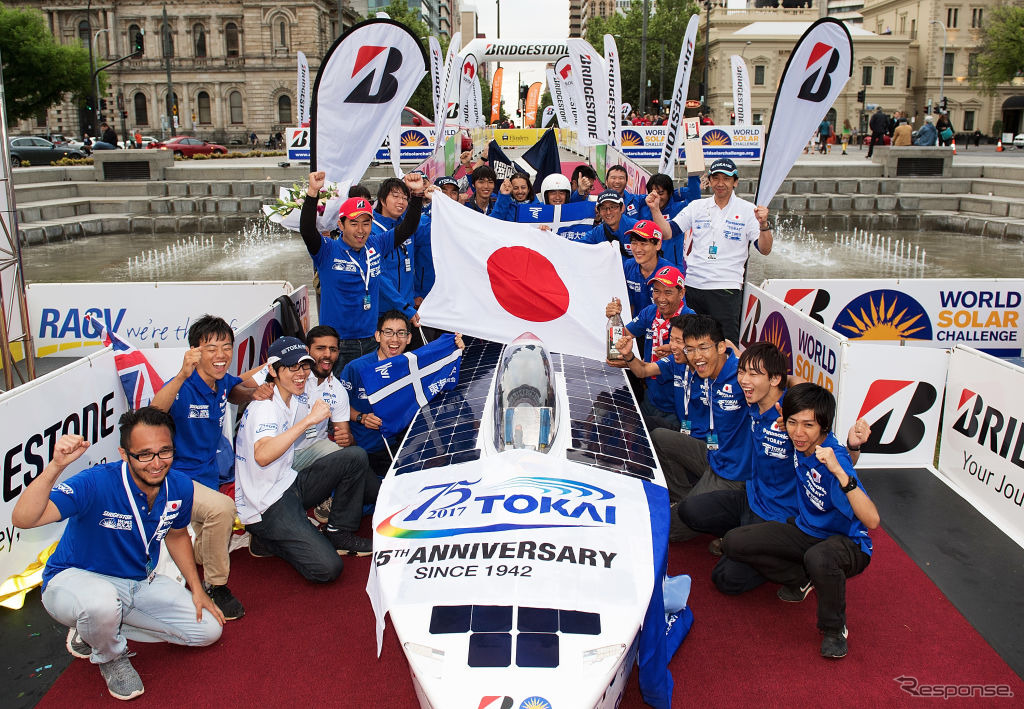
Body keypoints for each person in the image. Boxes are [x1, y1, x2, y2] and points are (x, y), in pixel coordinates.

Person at [12, 408, 224, 700]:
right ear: (125, 454)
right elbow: (24, 518)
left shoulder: (180, 486)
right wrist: (55, 466)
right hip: (75, 579)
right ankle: (110, 655)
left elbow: (176, 536)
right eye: (145, 454)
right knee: (100, 604)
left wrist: (197, 589)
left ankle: (95, 631)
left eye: (165, 451)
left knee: (208, 632)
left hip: (138, 581)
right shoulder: (94, 482)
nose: (156, 463)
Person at [722, 383, 880, 659]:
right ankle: (801, 577)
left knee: (820, 557)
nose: (798, 432)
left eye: (808, 425)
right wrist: (790, 417)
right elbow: (791, 399)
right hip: (806, 529)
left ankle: (834, 629)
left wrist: (841, 474)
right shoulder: (798, 438)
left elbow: (873, 520)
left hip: (848, 543)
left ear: (824, 427)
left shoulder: (834, 458)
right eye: (793, 423)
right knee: (734, 542)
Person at [150, 315, 268, 620]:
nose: (221, 355)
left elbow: (239, 385)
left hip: (208, 475)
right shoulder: (183, 386)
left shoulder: (219, 382)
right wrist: (180, 375)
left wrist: (261, 386)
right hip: (175, 479)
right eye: (211, 348)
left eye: (226, 347)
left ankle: (189, 554)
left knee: (212, 532)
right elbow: (152, 413)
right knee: (222, 510)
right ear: (194, 351)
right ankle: (215, 585)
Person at [235, 337, 373, 582]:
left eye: (304, 366)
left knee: (354, 457)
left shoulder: (293, 396)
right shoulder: (265, 406)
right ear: (274, 371)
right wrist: (308, 421)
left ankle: (339, 531)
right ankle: (266, 539)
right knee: (328, 568)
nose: (300, 373)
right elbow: (263, 455)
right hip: (266, 506)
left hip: (289, 483)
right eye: (291, 367)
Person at [299, 170, 425, 374]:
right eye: (354, 223)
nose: (361, 230)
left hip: (370, 340)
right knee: (339, 400)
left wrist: (417, 195)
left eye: (366, 223)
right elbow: (307, 230)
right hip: (338, 343)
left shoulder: (376, 243)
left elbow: (407, 228)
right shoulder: (327, 250)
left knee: (370, 399)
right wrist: (313, 193)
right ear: (341, 224)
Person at [649, 315, 752, 541]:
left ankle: (733, 517)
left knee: (663, 532)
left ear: (721, 346)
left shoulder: (744, 376)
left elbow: (781, 382)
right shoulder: (703, 371)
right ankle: (685, 497)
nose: (697, 357)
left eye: (703, 348)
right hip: (712, 455)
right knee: (658, 436)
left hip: (735, 475)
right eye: (691, 349)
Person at [342, 311, 465, 476]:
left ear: (408, 338)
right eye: (388, 332)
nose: (394, 339)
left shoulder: (415, 366)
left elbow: (440, 381)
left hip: (407, 447)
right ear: (377, 336)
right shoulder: (357, 368)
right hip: (369, 450)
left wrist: (454, 349)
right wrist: (361, 417)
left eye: (401, 333)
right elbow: (337, 406)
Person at [669, 158, 772, 344]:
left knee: (724, 345)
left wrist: (764, 225)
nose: (720, 183)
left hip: (726, 288)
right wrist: (654, 210)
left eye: (726, 178)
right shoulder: (697, 206)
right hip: (694, 286)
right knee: (690, 343)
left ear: (735, 182)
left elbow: (765, 249)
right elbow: (669, 231)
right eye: (716, 178)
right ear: (709, 181)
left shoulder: (749, 210)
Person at [608, 265, 694, 433]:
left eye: (668, 292)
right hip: (650, 397)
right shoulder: (650, 312)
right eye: (656, 291)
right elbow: (620, 339)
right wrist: (614, 318)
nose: (661, 298)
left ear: (681, 293)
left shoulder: (692, 321)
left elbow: (701, 359)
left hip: (676, 407)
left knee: (659, 446)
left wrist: (682, 350)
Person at [637, 172, 702, 270]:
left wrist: (693, 175)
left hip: (673, 268)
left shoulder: (678, 209)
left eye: (661, 193)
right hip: (647, 269)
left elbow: (694, 199)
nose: (657, 197)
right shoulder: (643, 211)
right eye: (653, 193)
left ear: (670, 193)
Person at [620, 220, 675, 318]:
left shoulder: (670, 272)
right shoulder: (628, 266)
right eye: (634, 243)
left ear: (658, 245)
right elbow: (627, 303)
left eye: (643, 243)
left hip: (662, 328)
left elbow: (677, 312)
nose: (637, 249)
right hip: (636, 327)